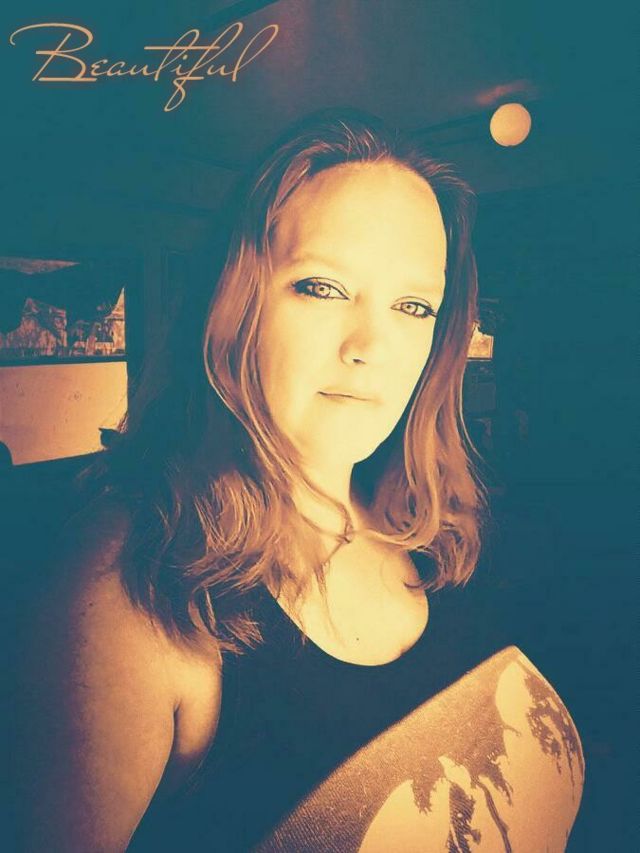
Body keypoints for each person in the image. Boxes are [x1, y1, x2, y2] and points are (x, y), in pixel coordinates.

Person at [15, 109, 584, 851]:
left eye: (413, 305)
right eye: (322, 287)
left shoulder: (438, 532)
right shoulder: (134, 585)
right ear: (233, 305)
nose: (372, 346)